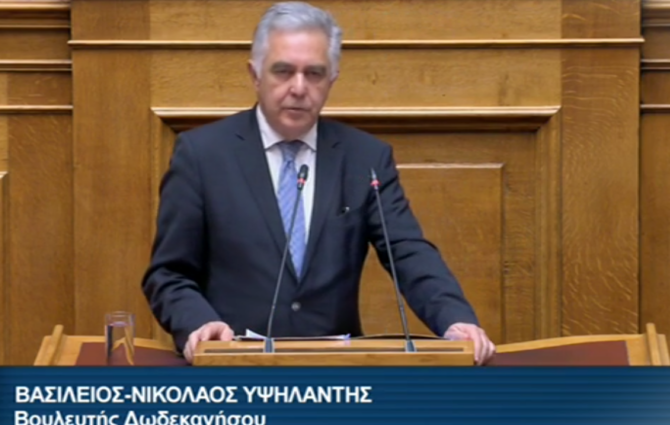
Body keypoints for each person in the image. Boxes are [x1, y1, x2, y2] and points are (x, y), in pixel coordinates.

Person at [142, 1, 495, 365]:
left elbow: (407, 251)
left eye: (314, 73)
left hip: (337, 373)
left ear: (332, 80)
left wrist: (454, 319)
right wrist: (200, 324)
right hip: (235, 367)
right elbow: (169, 274)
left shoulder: (364, 157)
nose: (299, 88)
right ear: (255, 74)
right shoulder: (203, 154)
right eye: (283, 71)